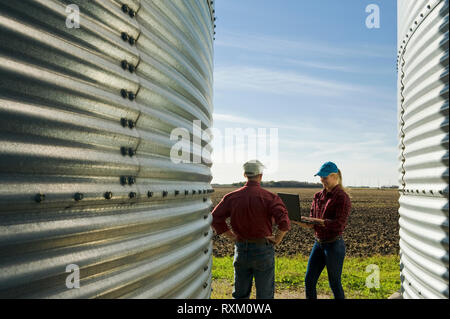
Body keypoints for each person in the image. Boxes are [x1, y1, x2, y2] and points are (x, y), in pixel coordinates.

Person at [211, 160, 291, 299]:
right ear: (260, 175)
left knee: (240, 294)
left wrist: (231, 236)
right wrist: (277, 238)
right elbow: (284, 221)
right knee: (265, 295)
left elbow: (215, 217)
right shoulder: (270, 197)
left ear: (244, 175)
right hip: (263, 250)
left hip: (241, 249)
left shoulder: (231, 197)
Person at [297, 161, 351, 299]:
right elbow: (311, 224)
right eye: (320, 177)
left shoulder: (342, 197)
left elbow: (339, 224)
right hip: (319, 244)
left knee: (334, 283)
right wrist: (298, 220)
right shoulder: (317, 196)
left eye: (325, 177)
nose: (321, 180)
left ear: (335, 176)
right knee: (309, 281)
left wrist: (317, 221)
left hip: (334, 245)